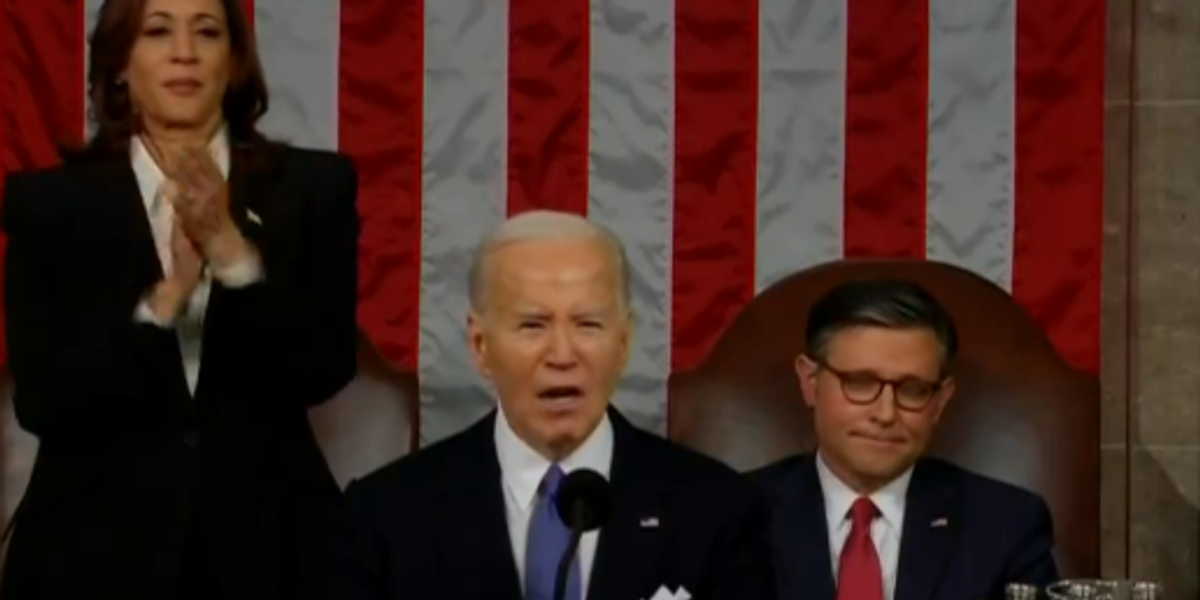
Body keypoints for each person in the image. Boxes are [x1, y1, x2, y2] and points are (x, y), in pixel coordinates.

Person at [0, 0, 359, 599]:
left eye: (207, 32)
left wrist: (231, 255)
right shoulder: (49, 206)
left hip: (273, 548)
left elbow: (323, 366)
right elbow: (44, 400)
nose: (184, 52)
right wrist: (165, 301)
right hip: (90, 551)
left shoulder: (312, 188)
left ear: (235, 62)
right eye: (158, 31)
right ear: (119, 65)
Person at [323, 210, 776, 600]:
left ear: (623, 343)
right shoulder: (386, 516)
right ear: (481, 346)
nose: (562, 355)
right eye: (533, 325)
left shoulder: (716, 511)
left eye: (588, 324)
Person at [751, 279, 1060, 600]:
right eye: (860, 383)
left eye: (913, 390)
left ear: (940, 401)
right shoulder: (736, 513)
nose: (886, 414)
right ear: (810, 382)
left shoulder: (1006, 525)